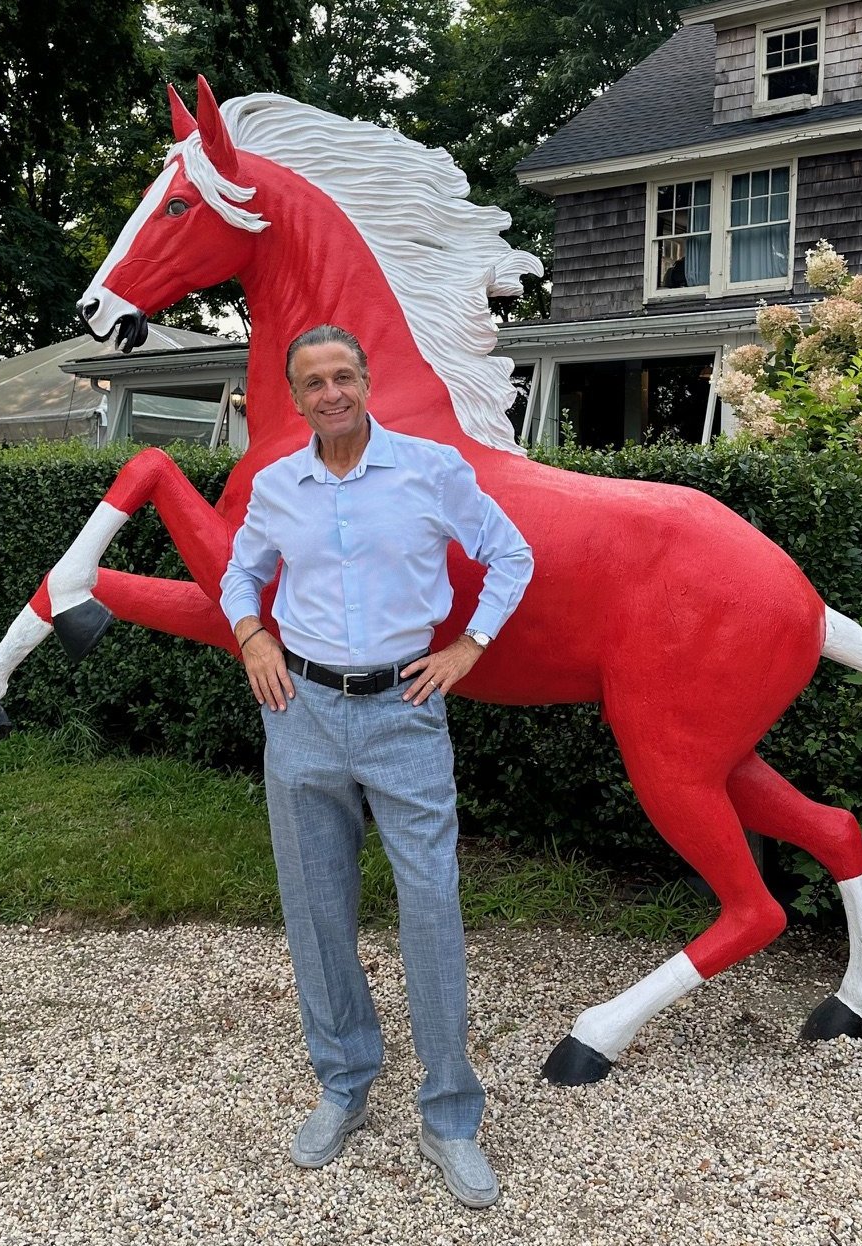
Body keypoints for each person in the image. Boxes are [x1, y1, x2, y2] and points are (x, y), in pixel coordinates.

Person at [219, 324, 533, 1209]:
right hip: (302, 713)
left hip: (404, 710)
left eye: (343, 375)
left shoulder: (431, 470)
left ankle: (450, 1116)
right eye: (313, 381)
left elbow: (511, 555)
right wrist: (251, 635)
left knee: (430, 903)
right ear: (296, 396)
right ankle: (345, 1081)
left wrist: (470, 646)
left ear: (366, 380)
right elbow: (240, 576)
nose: (330, 392)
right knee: (317, 907)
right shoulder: (279, 486)